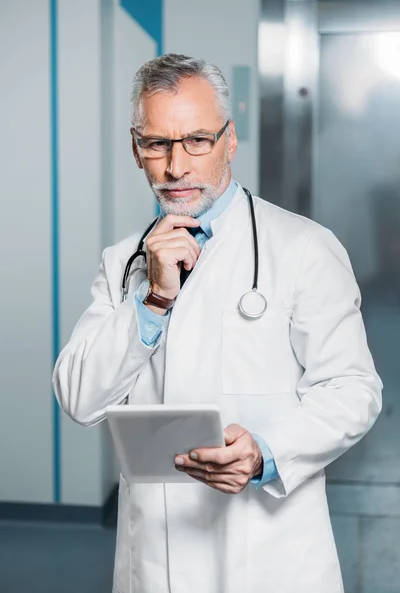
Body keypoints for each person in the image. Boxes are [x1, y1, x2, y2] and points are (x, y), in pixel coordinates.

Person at [53, 53, 382, 593]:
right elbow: (78, 396)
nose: (176, 166)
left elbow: (354, 389)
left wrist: (265, 454)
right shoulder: (123, 263)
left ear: (230, 140)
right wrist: (154, 300)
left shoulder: (303, 248)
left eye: (197, 141)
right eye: (156, 143)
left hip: (266, 552)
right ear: (137, 150)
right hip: (154, 558)